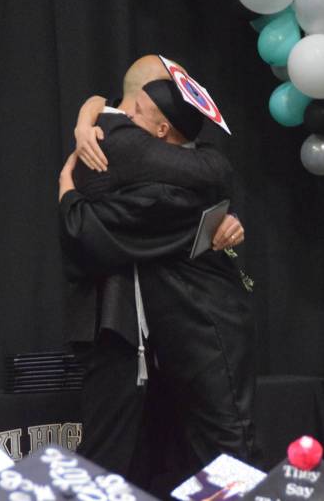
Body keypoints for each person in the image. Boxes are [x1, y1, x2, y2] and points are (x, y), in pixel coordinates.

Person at [59, 60, 254, 484]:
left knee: (208, 446)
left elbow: (213, 171)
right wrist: (70, 190)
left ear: (163, 130)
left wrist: (69, 192)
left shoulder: (160, 172)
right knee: (113, 455)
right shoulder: (113, 143)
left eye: (134, 109)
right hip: (121, 332)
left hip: (179, 331)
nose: (123, 115)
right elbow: (82, 230)